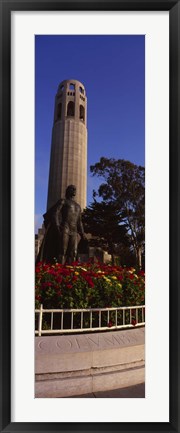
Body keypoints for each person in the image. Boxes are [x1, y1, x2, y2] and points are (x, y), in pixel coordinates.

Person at [37, 185, 85, 264]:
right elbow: (55, 214)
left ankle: (70, 271)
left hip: (74, 231)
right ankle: (60, 270)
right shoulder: (63, 201)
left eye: (75, 189)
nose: (74, 190)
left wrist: (82, 234)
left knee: (73, 252)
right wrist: (57, 226)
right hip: (65, 229)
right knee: (62, 251)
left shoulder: (78, 206)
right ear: (67, 191)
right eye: (72, 189)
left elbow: (79, 222)